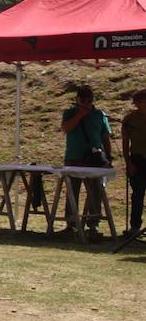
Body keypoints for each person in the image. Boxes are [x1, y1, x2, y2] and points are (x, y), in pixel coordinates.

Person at [60, 85, 112, 232]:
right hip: (74, 157)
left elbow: (105, 137)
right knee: (72, 191)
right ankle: (71, 223)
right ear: (77, 99)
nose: (86, 103)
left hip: (94, 158)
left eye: (89, 100)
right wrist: (80, 115)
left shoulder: (99, 114)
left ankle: (92, 223)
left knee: (95, 192)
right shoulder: (69, 113)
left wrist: (109, 157)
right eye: (83, 100)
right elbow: (66, 128)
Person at [123, 89, 146, 235]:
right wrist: (128, 163)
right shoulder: (129, 119)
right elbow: (125, 143)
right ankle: (135, 227)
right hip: (137, 159)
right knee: (137, 195)